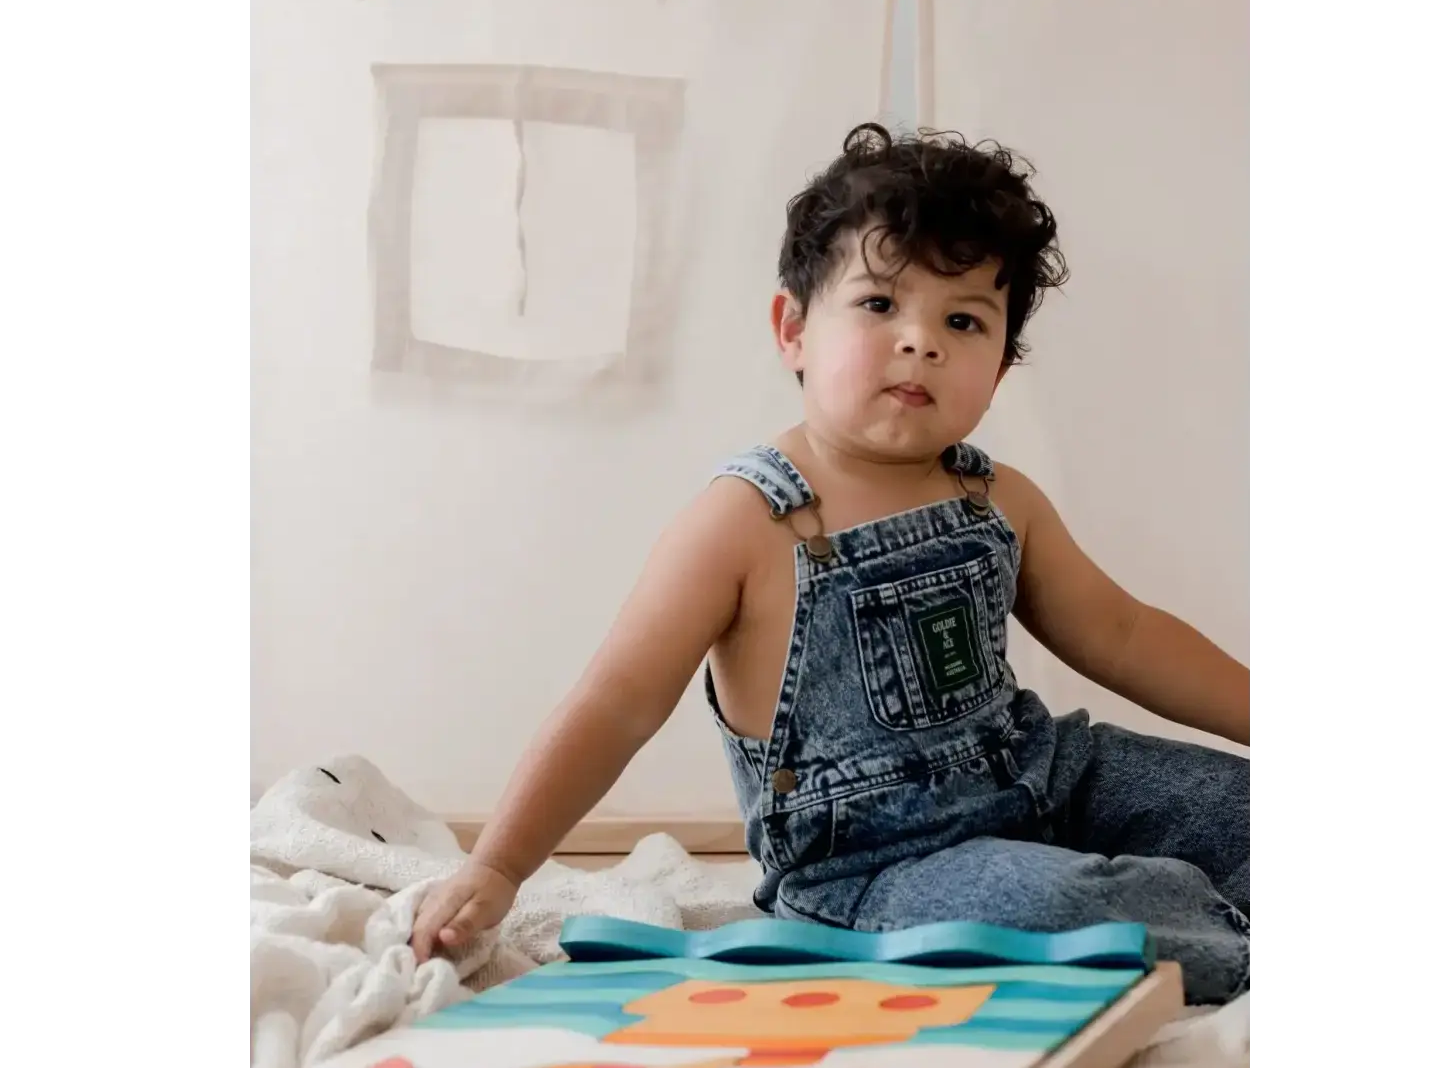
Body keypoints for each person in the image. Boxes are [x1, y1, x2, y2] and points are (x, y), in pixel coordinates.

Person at [410, 123, 1253, 1003]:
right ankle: (1217, 933)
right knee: (1054, 907)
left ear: (1000, 370)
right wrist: (498, 864)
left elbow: (1121, 632)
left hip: (1043, 773)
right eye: (880, 304)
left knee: (1241, 808)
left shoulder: (999, 498)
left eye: (963, 320)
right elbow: (616, 701)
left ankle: (1192, 896)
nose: (921, 340)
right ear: (794, 329)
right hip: (876, 864)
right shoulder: (744, 520)